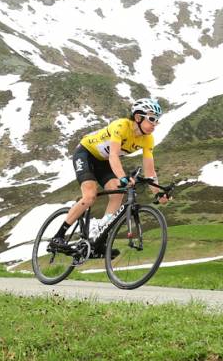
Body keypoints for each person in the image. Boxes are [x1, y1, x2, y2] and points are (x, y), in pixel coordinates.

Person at [52, 98, 169, 251]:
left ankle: (99, 236)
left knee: (117, 193)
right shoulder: (121, 126)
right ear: (138, 117)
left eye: (157, 120)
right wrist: (123, 177)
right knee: (89, 195)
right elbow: (113, 155)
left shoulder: (148, 139)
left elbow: (149, 170)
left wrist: (158, 193)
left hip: (103, 161)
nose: (155, 124)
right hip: (86, 153)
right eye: (152, 119)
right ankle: (58, 237)